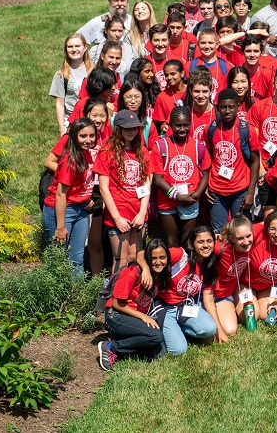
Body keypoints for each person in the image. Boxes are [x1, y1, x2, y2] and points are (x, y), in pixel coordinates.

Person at [94, 109, 152, 275]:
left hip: (138, 213)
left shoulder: (142, 151)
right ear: (118, 128)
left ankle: (131, 296)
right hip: (118, 213)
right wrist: (117, 218)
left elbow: (146, 185)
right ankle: (115, 297)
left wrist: (142, 213)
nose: (132, 132)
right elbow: (104, 188)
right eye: (127, 128)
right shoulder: (107, 152)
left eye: (135, 128)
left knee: (135, 257)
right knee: (121, 259)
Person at [145, 226, 221, 352]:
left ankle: (176, 329)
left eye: (209, 241)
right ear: (191, 244)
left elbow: (209, 299)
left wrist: (220, 330)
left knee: (210, 329)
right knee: (179, 350)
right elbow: (143, 253)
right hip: (164, 306)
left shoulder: (209, 265)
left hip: (185, 307)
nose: (206, 245)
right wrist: (146, 270)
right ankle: (168, 328)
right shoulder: (180, 255)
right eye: (200, 242)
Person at [98, 237, 170, 371]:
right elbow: (116, 303)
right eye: (154, 258)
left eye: (162, 257)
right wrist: (143, 317)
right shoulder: (133, 272)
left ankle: (127, 342)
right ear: (148, 259)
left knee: (160, 355)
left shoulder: (158, 275)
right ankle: (111, 347)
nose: (158, 262)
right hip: (117, 315)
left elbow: (141, 253)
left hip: (134, 317)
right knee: (155, 336)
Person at [43, 118, 98, 274]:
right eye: (83, 136)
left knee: (77, 258)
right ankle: (54, 295)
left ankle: (77, 296)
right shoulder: (70, 160)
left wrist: (86, 198)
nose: (88, 140)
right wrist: (60, 227)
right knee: (57, 257)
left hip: (80, 210)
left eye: (92, 136)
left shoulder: (86, 153)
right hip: (62, 210)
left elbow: (81, 183)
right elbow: (61, 194)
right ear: (74, 136)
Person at [151, 106, 211, 247]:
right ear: (170, 125)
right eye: (178, 125)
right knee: (171, 241)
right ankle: (174, 268)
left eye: (185, 125)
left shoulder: (198, 146)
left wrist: (197, 194)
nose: (182, 129)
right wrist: (177, 196)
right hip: (167, 200)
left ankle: (187, 268)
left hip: (191, 198)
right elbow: (158, 179)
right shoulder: (161, 146)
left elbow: (206, 173)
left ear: (190, 124)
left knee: (187, 239)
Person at [205, 89, 260, 230]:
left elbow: (255, 161)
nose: (227, 111)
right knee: (219, 232)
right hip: (216, 190)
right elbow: (208, 159)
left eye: (231, 107)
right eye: (223, 107)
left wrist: (251, 192)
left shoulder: (246, 129)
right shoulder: (211, 129)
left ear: (238, 107)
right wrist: (205, 185)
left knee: (241, 230)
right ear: (217, 108)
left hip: (240, 189)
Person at [211, 216, 255, 337]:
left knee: (247, 319)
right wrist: (210, 236)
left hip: (226, 294)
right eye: (240, 238)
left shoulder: (253, 242)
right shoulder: (219, 248)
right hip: (212, 294)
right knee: (229, 330)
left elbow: (268, 223)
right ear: (231, 238)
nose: (246, 242)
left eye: (248, 236)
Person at [51, 33, 93, 135]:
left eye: (77, 46)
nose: (74, 49)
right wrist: (62, 129)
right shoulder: (61, 74)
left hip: (91, 121)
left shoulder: (94, 71)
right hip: (71, 122)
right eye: (70, 46)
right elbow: (60, 103)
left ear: (85, 48)